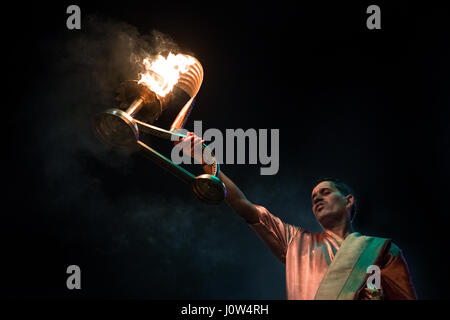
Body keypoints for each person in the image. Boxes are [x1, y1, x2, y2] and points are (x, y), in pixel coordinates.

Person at [176, 133, 418, 300]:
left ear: (348, 200)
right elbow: (244, 205)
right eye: (314, 197)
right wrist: (206, 160)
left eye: (325, 192)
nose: (317, 198)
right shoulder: (297, 243)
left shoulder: (381, 250)